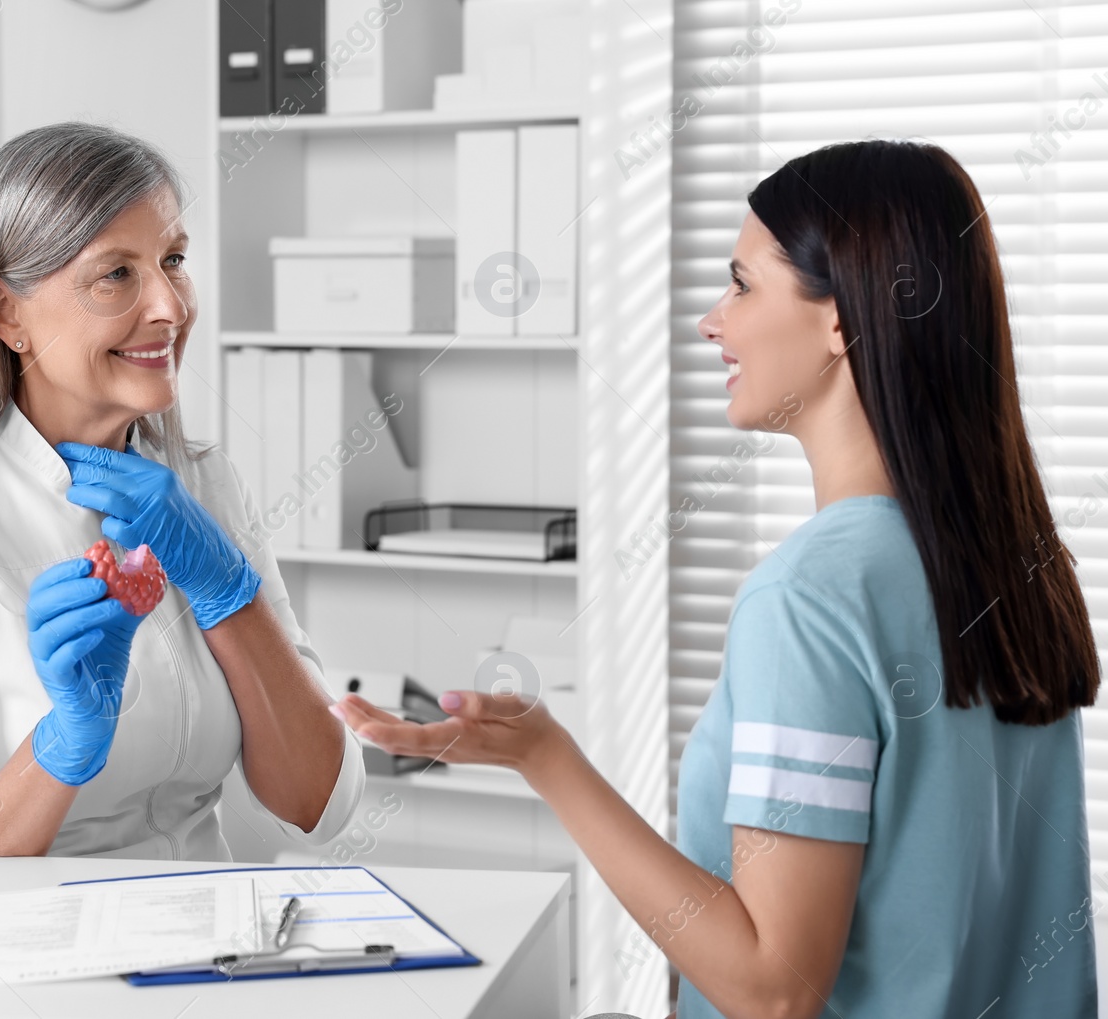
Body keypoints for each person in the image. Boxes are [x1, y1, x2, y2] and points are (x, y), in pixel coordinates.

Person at [334, 139, 1099, 1018]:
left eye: (741, 285)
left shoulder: (812, 597)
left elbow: (776, 989)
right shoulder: (1016, 566)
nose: (712, 320)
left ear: (841, 316)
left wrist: (547, 759)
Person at [0, 122, 363, 858]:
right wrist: (64, 742)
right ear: (7, 312)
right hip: (20, 955)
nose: (171, 306)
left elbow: (315, 806)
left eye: (173, 260)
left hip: (205, 940)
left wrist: (230, 594)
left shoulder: (206, 488)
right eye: (116, 274)